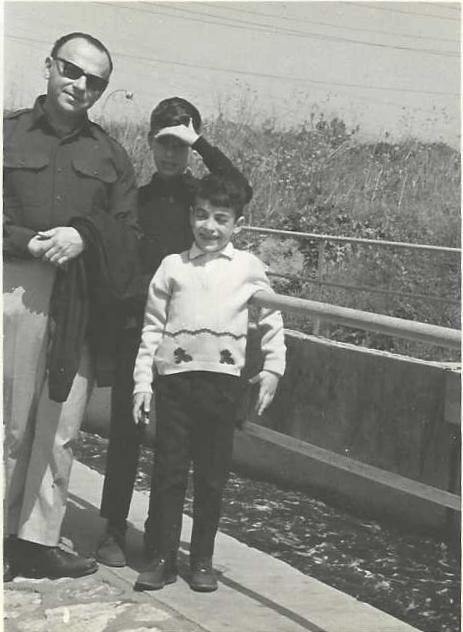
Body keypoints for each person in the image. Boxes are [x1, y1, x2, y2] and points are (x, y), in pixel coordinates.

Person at [3, 32, 138, 582]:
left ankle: (37, 540)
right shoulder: (6, 134)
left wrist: (85, 235)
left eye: (95, 81)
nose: (81, 86)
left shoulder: (109, 154)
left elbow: (131, 235)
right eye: (72, 71)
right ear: (49, 67)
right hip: (14, 286)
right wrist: (22, 242)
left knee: (59, 425)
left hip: (79, 297)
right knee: (6, 421)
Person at [96, 97, 252, 567]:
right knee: (128, 430)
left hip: (191, 337)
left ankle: (160, 533)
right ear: (150, 143)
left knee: (181, 446)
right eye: (163, 142)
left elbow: (240, 189)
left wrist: (200, 142)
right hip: (140, 329)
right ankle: (112, 528)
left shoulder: (199, 199)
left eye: (179, 144)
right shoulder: (137, 199)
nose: (170, 154)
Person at [131, 173, 286, 592]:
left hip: (222, 386)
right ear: (190, 216)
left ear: (239, 224)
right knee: (168, 474)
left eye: (221, 218)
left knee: (212, 478)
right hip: (175, 385)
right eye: (201, 216)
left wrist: (273, 367)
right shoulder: (172, 267)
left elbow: (272, 318)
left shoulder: (248, 267)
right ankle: (162, 558)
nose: (210, 227)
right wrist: (142, 383)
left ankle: (201, 560)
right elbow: (151, 330)